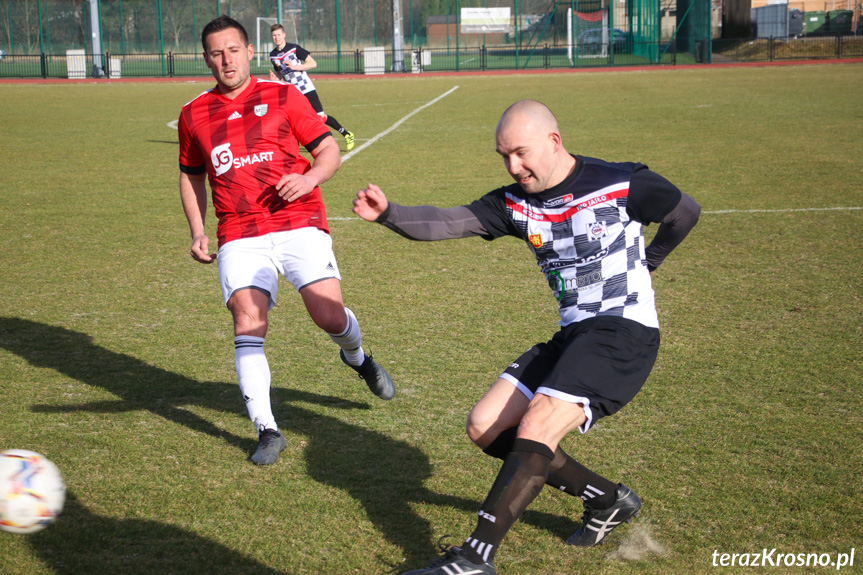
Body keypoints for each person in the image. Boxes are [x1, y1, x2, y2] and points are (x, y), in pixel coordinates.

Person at [353, 100, 700, 574]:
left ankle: (475, 559)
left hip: (624, 331)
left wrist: (651, 260)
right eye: (504, 157)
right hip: (575, 333)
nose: (513, 166)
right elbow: (449, 222)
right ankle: (608, 500)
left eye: (521, 153)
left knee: (537, 424)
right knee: (486, 426)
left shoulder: (623, 182)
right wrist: (390, 213)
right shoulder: (514, 203)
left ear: (554, 142)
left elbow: (685, 213)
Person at [177, 15, 395, 466]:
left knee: (328, 315)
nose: (226, 60)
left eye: (233, 50)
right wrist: (198, 231)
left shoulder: (283, 95)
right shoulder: (193, 113)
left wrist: (310, 177)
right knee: (248, 320)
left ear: (249, 51)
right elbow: (190, 175)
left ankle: (357, 358)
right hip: (239, 231)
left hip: (298, 218)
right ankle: (267, 430)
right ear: (206, 59)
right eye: (216, 53)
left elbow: (328, 149)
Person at [268, 24, 356, 151]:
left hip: (305, 88)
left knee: (320, 117)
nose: (276, 38)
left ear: (284, 35)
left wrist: (294, 67)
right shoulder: (273, 55)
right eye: (274, 35)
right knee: (295, 118)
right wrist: (275, 78)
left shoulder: (294, 48)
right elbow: (281, 73)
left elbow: (313, 63)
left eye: (278, 35)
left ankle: (347, 134)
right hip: (292, 91)